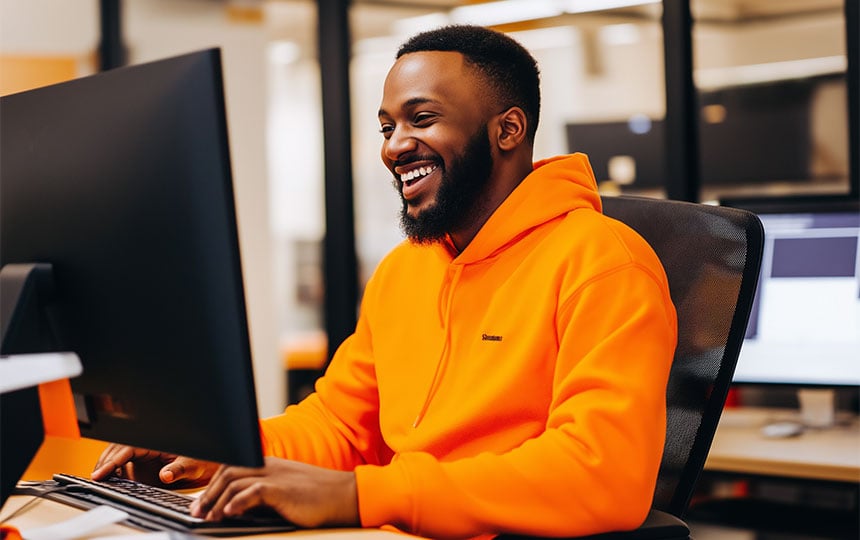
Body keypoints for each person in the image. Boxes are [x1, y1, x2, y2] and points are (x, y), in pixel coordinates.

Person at [93, 24, 677, 538]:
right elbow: (343, 426)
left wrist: (361, 496)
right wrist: (219, 453)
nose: (395, 146)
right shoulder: (405, 269)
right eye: (386, 126)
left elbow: (600, 472)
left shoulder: (603, 263)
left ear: (509, 130)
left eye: (421, 118)